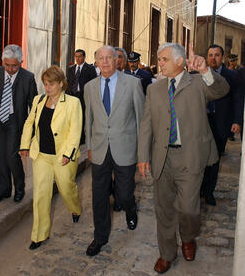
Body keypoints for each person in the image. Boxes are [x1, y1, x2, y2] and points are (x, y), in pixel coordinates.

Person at [138, 43, 229, 274]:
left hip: (190, 157)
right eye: (159, 59)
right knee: (164, 210)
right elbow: (147, 124)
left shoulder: (198, 83)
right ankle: (166, 254)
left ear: (180, 61)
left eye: (165, 59)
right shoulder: (154, 89)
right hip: (163, 157)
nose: (160, 63)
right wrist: (142, 156)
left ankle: (188, 237)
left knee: (189, 209)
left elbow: (222, 90)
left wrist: (206, 70)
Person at [84, 46, 145, 256]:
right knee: (99, 195)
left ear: (118, 60)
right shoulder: (90, 87)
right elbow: (89, 119)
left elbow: (141, 119)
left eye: (109, 58)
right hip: (100, 149)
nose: (106, 62)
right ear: (97, 62)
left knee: (124, 194)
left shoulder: (133, 84)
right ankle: (100, 236)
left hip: (125, 148)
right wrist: (90, 147)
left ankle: (130, 208)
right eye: (101, 58)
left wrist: (142, 153)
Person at [20, 65, 82, 250]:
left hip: (62, 155)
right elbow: (29, 122)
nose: (47, 88)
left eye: (52, 84)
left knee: (66, 188)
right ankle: (39, 235)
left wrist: (68, 153)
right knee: (40, 194)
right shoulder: (39, 100)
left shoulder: (72, 103)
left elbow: (75, 130)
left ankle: (75, 207)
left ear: (61, 84)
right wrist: (24, 145)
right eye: (45, 84)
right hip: (42, 156)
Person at [0, 45, 37, 204]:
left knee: (12, 156)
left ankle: (19, 189)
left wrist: (31, 132)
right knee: (0, 157)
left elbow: (34, 106)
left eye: (15, 65)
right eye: (7, 65)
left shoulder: (28, 78)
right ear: (2, 62)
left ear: (21, 62)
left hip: (16, 122)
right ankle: (3, 191)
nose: (11, 69)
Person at [201, 44, 243, 205]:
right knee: (200, 158)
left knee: (215, 159)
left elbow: (238, 100)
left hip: (221, 122)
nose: (213, 58)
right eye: (210, 55)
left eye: (217, 55)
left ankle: (209, 191)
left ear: (222, 57)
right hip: (202, 122)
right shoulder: (200, 74)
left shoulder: (232, 76)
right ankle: (199, 189)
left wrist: (237, 121)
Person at [66, 49, 97, 144]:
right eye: (76, 56)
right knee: (72, 116)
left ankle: (82, 138)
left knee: (82, 116)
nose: (77, 58)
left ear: (84, 57)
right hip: (72, 95)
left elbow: (93, 84)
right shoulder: (71, 69)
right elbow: (68, 83)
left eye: (79, 56)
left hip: (83, 96)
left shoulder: (90, 69)